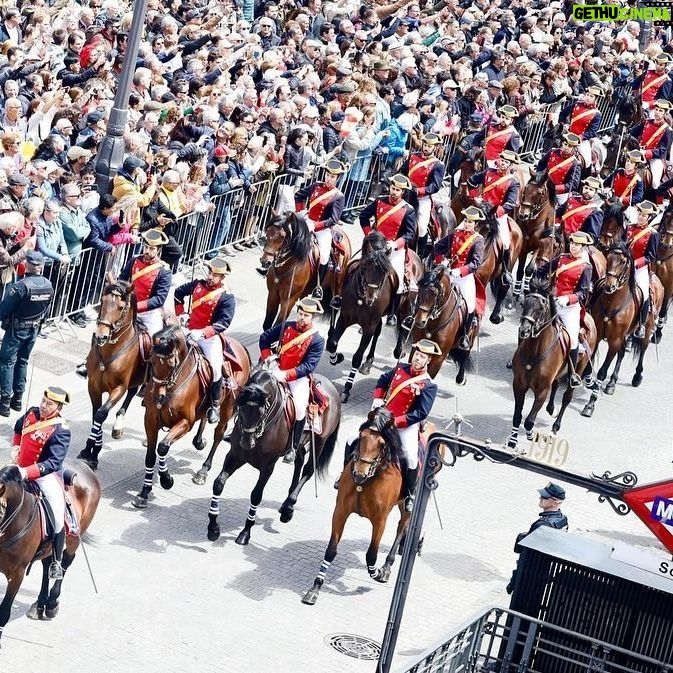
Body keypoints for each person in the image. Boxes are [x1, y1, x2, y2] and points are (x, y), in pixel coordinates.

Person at [336, 339, 439, 511]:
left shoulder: (428, 385)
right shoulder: (400, 369)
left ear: (428, 361)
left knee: (411, 456)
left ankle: (410, 493)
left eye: (422, 357)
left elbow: (421, 413)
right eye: (416, 355)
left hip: (405, 424)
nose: (417, 359)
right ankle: (344, 474)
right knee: (352, 437)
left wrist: (396, 422)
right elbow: (383, 380)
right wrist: (377, 399)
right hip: (383, 416)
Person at [12, 386, 71, 580]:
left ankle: (55, 559)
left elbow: (53, 463)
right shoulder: (32, 413)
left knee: (56, 513)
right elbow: (18, 427)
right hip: (19, 467)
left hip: (43, 475)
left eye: (50, 404)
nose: (44, 406)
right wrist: (15, 447)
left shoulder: (61, 430)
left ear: (59, 407)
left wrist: (26, 472)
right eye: (43, 401)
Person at [259, 297, 325, 464]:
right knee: (254, 389)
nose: (302, 318)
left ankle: (293, 448)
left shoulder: (317, 340)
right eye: (300, 314)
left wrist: (286, 375)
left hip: (297, 378)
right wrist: (269, 359)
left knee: (300, 409)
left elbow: (309, 366)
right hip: (276, 368)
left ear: (312, 318)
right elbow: (264, 338)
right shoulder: (286, 326)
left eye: (306, 316)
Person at [174, 257, 235, 424]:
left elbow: (224, 322)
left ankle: (214, 405)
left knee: (215, 368)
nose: (210, 277)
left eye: (215, 275)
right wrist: (181, 314)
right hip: (188, 329)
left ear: (222, 278)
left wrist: (203, 332)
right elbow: (178, 294)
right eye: (210, 273)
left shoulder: (226, 297)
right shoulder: (196, 284)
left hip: (208, 338)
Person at [535, 231, 593, 387]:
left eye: (577, 245)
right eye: (572, 243)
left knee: (572, 340)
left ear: (583, 247)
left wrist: (568, 299)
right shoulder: (561, 258)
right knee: (532, 322)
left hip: (569, 308)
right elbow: (543, 270)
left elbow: (583, 292)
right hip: (552, 301)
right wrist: (537, 280)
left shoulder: (586, 267)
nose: (573, 247)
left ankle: (572, 374)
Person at [358, 174, 417, 327]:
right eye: (392, 188)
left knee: (397, 278)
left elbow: (410, 234)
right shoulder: (379, 201)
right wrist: (369, 234)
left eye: (397, 190)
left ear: (403, 192)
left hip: (394, 249)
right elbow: (363, 216)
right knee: (355, 266)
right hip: (376, 246)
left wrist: (395, 244)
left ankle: (392, 313)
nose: (394, 192)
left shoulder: (408, 210)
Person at [0, 250, 53, 416]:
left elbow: (3, 310)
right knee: (23, 361)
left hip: (17, 329)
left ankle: (5, 402)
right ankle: (18, 399)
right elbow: (47, 309)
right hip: (34, 329)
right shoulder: (48, 284)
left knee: (7, 362)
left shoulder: (21, 286)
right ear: (41, 266)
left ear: (28, 264)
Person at [433, 206, 486, 351]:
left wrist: (461, 271)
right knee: (430, 290)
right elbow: (438, 247)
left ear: (476, 224)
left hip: (464, 278)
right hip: (448, 273)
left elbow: (475, 263)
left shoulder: (478, 241)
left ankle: (464, 336)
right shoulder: (455, 234)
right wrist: (441, 261)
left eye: (471, 222)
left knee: (469, 305)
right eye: (466, 220)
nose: (468, 223)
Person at [293, 158, 346, 300]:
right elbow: (298, 195)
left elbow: (333, 219)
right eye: (327, 175)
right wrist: (300, 213)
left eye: (332, 177)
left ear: (338, 178)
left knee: (323, 256)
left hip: (322, 229)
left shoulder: (338, 196)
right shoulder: (316, 186)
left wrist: (315, 226)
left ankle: (318, 286)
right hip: (308, 219)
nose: (329, 178)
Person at [467, 149, 520, 284]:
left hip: (497, 216)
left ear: (511, 165)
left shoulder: (513, 182)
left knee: (506, 243)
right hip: (480, 211)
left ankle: (505, 272)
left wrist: (496, 212)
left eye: (506, 162)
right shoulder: (488, 172)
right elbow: (471, 181)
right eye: (502, 160)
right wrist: (475, 198)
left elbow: (510, 203)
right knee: (461, 229)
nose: (502, 163)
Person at [506, 482, 568, 595]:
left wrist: (514, 581)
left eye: (545, 497)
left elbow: (523, 549)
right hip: (544, 570)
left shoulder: (542, 525)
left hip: (529, 574)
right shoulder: (562, 519)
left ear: (555, 502)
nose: (540, 498)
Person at [400, 132, 446, 259]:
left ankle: (420, 255)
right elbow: (402, 172)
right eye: (425, 145)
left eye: (429, 146)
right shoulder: (413, 156)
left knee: (421, 226)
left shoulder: (438, 165)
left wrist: (419, 191)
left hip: (422, 198)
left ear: (435, 148)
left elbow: (435, 186)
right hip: (406, 194)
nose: (426, 148)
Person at [625, 201, 660, 338]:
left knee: (644, 293)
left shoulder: (653, 234)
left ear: (649, 218)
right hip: (624, 265)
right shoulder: (629, 228)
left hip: (639, 269)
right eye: (639, 213)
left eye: (644, 215)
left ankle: (641, 325)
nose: (640, 217)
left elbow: (650, 256)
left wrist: (635, 264)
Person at [630, 99, 673, 192]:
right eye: (656, 109)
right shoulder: (647, 122)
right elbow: (633, 132)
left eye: (660, 111)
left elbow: (662, 150)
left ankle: (654, 199)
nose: (657, 112)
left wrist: (646, 152)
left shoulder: (668, 130)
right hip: (639, 152)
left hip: (655, 158)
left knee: (655, 182)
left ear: (665, 113)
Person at [558, 86, 603, 171]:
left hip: (581, 140)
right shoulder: (576, 104)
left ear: (595, 99)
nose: (588, 98)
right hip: (567, 134)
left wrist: (581, 137)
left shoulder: (597, 114)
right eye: (588, 95)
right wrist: (563, 124)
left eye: (591, 96)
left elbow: (593, 131)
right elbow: (563, 113)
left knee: (587, 161)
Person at [536, 132, 582, 207]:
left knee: (561, 209)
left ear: (574, 148)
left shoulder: (575, 164)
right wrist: (539, 175)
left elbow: (573, 184)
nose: (566, 147)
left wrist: (557, 188)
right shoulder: (552, 152)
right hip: (544, 184)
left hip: (559, 192)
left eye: (570, 146)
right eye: (565, 144)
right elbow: (541, 164)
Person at [472, 105, 522, 169]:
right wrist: (476, 151)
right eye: (502, 117)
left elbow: (510, 155)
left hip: (496, 164)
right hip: (482, 158)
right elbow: (477, 138)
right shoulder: (491, 126)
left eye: (507, 119)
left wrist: (499, 162)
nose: (504, 120)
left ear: (511, 121)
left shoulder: (514, 136)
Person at [557, 176, 604, 243]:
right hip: (559, 233)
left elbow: (592, 237)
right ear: (583, 188)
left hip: (573, 242)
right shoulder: (572, 199)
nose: (587, 191)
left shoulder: (596, 211)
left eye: (591, 190)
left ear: (595, 193)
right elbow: (557, 214)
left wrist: (575, 240)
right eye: (586, 188)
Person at [603, 150, 645, 218]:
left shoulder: (638, 180)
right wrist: (607, 190)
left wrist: (623, 199)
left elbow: (638, 197)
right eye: (627, 161)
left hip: (624, 205)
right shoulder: (618, 171)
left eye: (631, 163)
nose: (628, 164)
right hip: (610, 199)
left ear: (636, 166)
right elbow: (606, 183)